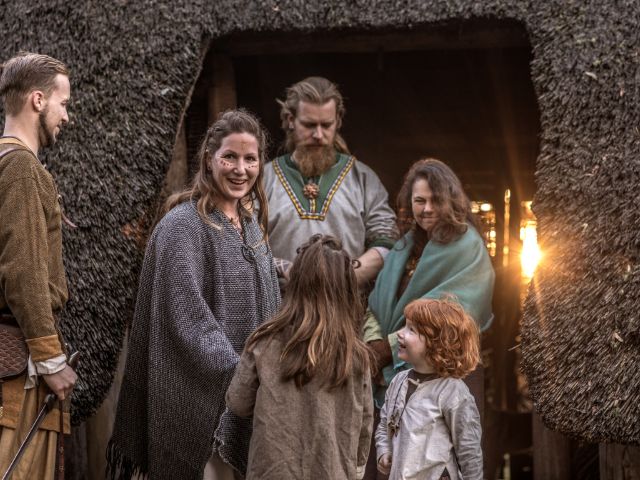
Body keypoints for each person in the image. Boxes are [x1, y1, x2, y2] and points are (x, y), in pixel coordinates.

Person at [107, 110, 281, 480]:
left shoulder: (250, 226)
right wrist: (243, 372)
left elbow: (264, 297)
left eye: (251, 159)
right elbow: (187, 316)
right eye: (230, 157)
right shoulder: (183, 226)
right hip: (197, 406)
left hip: (250, 400)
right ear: (208, 159)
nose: (241, 169)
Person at [363, 158, 494, 479]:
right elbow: (375, 303)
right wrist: (371, 344)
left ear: (450, 199)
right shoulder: (404, 245)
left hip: (447, 373)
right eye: (419, 200)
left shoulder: (468, 248)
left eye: (435, 200)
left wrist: (384, 350)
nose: (426, 209)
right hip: (396, 373)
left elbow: (454, 317)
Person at [226, 234, 374, 480]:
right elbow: (364, 425)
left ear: (296, 284)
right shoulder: (356, 356)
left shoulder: (265, 342)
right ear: (348, 291)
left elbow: (238, 403)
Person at [0, 52, 77, 480]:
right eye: (63, 103)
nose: (66, 115)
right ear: (37, 100)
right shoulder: (22, 169)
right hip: (17, 358)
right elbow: (24, 271)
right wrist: (51, 360)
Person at [263, 76, 397, 286]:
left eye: (326, 125)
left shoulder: (363, 178)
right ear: (290, 119)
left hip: (347, 310)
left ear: (338, 121)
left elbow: (386, 241)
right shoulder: (263, 179)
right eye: (309, 125)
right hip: (280, 309)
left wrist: (345, 279)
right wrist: (288, 271)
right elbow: (244, 246)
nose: (318, 134)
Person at [375, 298, 483, 480]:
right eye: (404, 326)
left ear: (438, 344)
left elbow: (469, 450)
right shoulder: (398, 381)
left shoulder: (453, 392)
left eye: (411, 330)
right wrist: (383, 450)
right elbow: (385, 422)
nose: (400, 334)